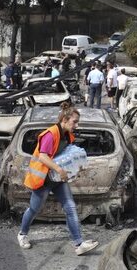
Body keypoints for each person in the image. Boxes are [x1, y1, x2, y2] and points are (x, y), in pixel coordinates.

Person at [18, 102, 99, 256]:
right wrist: (59, 169)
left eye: (77, 122)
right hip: (43, 180)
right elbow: (42, 156)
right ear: (64, 120)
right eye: (74, 121)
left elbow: (64, 156)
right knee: (34, 209)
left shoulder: (67, 135)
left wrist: (76, 166)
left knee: (70, 207)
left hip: (57, 180)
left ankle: (79, 244)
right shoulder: (50, 134)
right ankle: (22, 234)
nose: (76, 125)